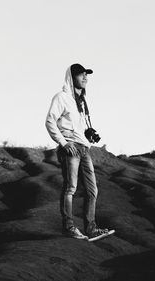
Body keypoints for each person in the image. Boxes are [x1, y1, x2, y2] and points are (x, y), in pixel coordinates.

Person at [45, 63, 110, 240]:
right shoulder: (61, 97)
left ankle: (91, 228)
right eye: (81, 75)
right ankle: (69, 227)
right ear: (71, 78)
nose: (85, 78)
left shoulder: (81, 102)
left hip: (83, 148)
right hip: (71, 148)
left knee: (92, 190)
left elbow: (78, 126)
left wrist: (89, 133)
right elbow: (50, 121)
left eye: (86, 75)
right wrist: (63, 143)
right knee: (70, 187)